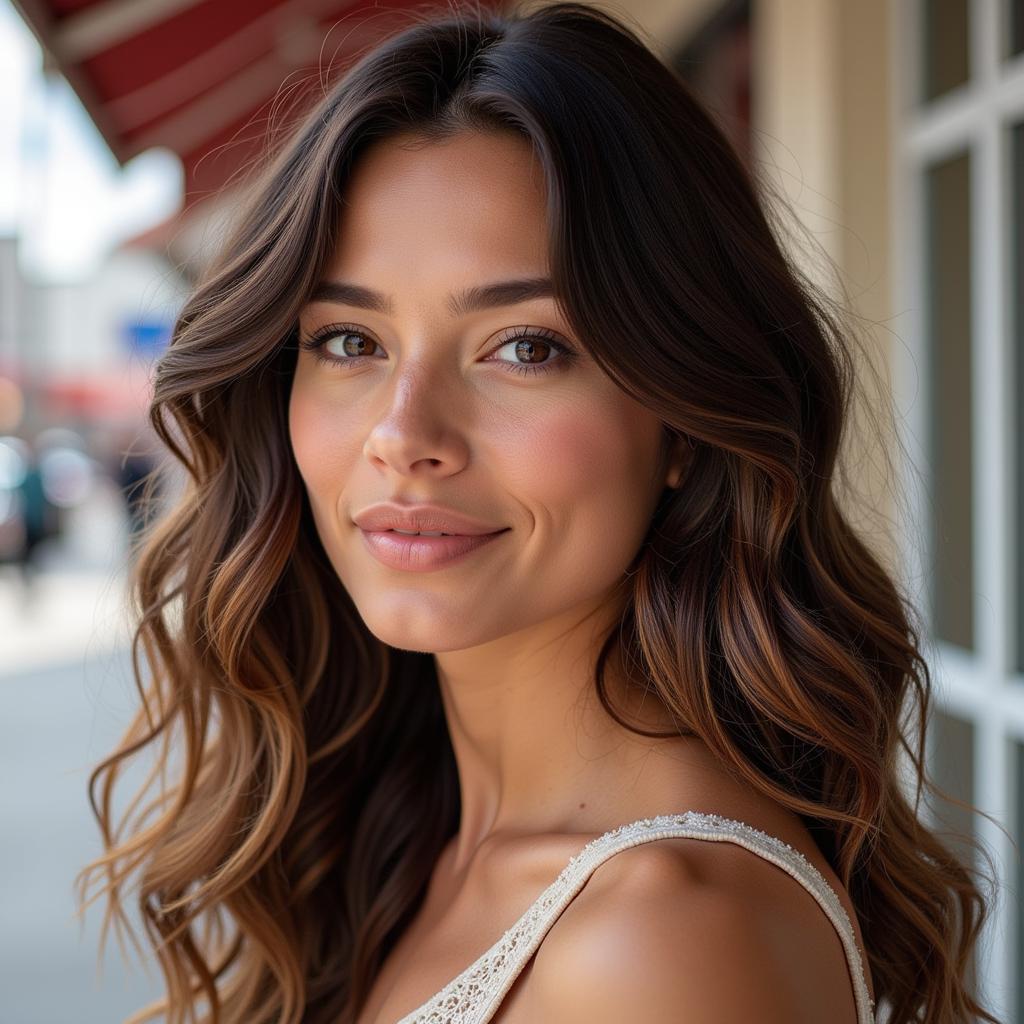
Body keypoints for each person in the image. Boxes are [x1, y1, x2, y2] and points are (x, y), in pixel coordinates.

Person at [75, 4, 1001, 1023]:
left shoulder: (660, 942)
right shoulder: (403, 826)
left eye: (524, 346)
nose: (404, 431)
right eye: (348, 339)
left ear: (684, 422)